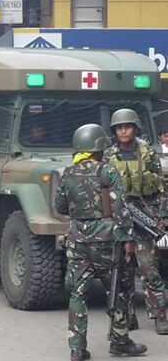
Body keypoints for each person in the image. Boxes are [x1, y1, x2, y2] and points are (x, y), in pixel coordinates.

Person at [55, 124, 147, 360]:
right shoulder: (107, 172)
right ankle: (119, 342)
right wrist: (127, 238)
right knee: (118, 289)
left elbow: (60, 207)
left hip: (77, 240)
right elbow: (120, 208)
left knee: (77, 293)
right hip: (107, 240)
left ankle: (77, 348)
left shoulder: (68, 173)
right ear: (99, 147)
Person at [103, 109, 168, 334]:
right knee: (122, 271)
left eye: (127, 126)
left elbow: (160, 188)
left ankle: (160, 315)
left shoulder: (147, 153)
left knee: (149, 270)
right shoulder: (108, 155)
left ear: (135, 128)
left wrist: (161, 218)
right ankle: (127, 316)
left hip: (144, 217)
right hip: (119, 218)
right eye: (119, 128)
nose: (123, 131)